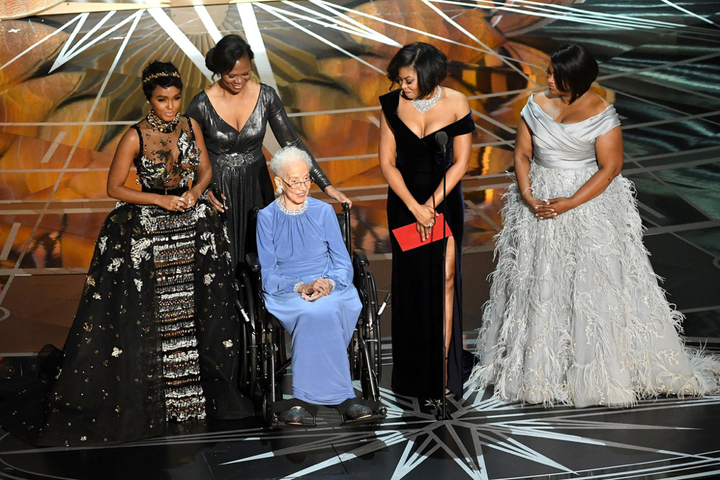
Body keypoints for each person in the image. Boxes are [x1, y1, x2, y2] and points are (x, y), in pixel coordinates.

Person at [0, 61, 251, 446]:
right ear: (149, 100)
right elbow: (114, 187)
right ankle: (158, 399)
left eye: (176, 98)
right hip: (150, 223)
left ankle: (195, 397)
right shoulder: (135, 136)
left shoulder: (191, 126)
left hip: (190, 222)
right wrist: (159, 201)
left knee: (196, 311)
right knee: (150, 314)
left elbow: (205, 171)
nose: (171, 106)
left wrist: (194, 194)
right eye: (163, 99)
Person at [469, 44, 720, 407]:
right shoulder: (535, 105)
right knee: (541, 280)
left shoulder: (603, 113)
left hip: (587, 207)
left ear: (576, 78)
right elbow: (521, 155)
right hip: (538, 205)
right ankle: (542, 370)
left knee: (589, 283)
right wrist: (527, 194)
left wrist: (570, 202)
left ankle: (595, 371)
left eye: (555, 74)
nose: (547, 78)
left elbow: (610, 168)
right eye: (549, 72)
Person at [185, 34, 351, 270]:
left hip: (257, 185)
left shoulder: (266, 96)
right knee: (224, 260)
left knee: (261, 254)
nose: (239, 81)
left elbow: (293, 144)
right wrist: (205, 189)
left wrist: (327, 185)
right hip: (219, 190)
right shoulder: (201, 104)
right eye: (231, 75)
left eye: (245, 74)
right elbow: (188, 155)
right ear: (219, 70)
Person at [378, 43, 475, 399]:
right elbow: (387, 163)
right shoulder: (391, 105)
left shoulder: (456, 102)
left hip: (444, 201)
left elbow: (461, 162)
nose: (402, 86)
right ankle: (416, 371)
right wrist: (415, 207)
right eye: (399, 80)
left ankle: (444, 364)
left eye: (408, 80)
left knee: (446, 279)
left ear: (429, 75)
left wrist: (430, 206)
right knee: (414, 284)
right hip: (405, 203)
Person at [255, 146, 373, 426]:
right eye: (295, 181)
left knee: (328, 308)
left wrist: (328, 284)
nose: (302, 186)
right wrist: (302, 287)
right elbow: (269, 275)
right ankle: (332, 398)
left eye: (306, 179)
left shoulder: (323, 212)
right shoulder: (267, 218)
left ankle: (326, 398)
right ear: (279, 183)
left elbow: (343, 263)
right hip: (289, 290)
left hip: (330, 285)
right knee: (310, 313)